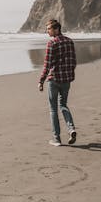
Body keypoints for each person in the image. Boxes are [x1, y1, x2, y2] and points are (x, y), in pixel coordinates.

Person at [38, 19, 77, 147]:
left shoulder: (52, 43)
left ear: (56, 29)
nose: (47, 31)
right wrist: (69, 74)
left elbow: (47, 64)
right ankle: (71, 129)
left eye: (49, 29)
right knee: (64, 105)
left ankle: (56, 139)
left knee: (53, 109)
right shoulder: (70, 41)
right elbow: (73, 62)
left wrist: (41, 81)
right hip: (66, 80)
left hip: (54, 80)